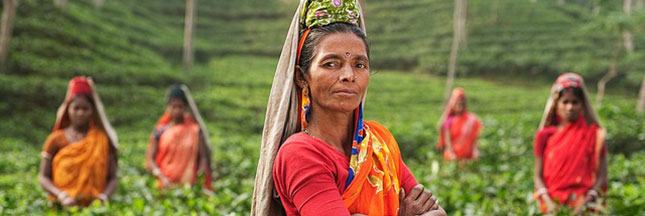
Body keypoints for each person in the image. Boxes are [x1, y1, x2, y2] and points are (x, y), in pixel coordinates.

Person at [251, 1, 446, 215]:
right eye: (331, 64)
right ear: (301, 77)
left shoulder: (379, 142)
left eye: (359, 65)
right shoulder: (301, 154)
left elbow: (438, 213)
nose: (348, 76)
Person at [533, 73, 608, 214]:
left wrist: (584, 204)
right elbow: (538, 176)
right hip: (551, 204)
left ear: (582, 105)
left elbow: (602, 177)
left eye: (575, 102)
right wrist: (549, 203)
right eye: (565, 102)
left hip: (583, 203)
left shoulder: (594, 134)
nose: (570, 107)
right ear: (557, 104)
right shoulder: (544, 136)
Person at [38, 76, 119, 207]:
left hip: (95, 209)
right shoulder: (55, 139)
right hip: (61, 206)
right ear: (68, 110)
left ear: (92, 111)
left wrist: (103, 198)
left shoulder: (102, 139)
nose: (80, 113)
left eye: (85, 109)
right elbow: (43, 177)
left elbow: (113, 178)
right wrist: (61, 195)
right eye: (76, 108)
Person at [146, 84, 213, 192]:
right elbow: (150, 159)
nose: (177, 110)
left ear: (185, 108)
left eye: (180, 107)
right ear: (168, 107)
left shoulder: (195, 130)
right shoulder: (160, 131)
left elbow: (203, 158)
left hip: (189, 187)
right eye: (173, 106)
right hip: (163, 185)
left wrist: (199, 179)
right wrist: (160, 175)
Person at [437, 88, 482, 161]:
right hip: (452, 157)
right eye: (457, 103)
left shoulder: (471, 119)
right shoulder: (449, 120)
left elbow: (474, 139)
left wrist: (475, 152)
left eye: (461, 103)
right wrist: (452, 154)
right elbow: (447, 140)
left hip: (468, 157)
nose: (459, 106)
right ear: (453, 104)